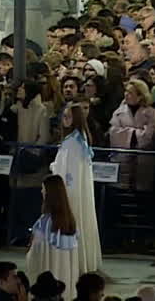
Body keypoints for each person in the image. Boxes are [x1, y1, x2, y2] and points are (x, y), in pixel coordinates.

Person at [50, 104, 100, 273]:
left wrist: (55, 170)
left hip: (70, 192)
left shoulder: (73, 142)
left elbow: (68, 172)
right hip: (75, 191)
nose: (65, 120)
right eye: (63, 116)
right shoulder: (79, 139)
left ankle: (72, 262)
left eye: (69, 117)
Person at [26, 175, 79, 300]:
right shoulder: (70, 221)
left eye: (43, 189)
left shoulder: (44, 222)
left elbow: (35, 253)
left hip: (47, 280)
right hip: (64, 276)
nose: (41, 191)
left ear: (50, 193)